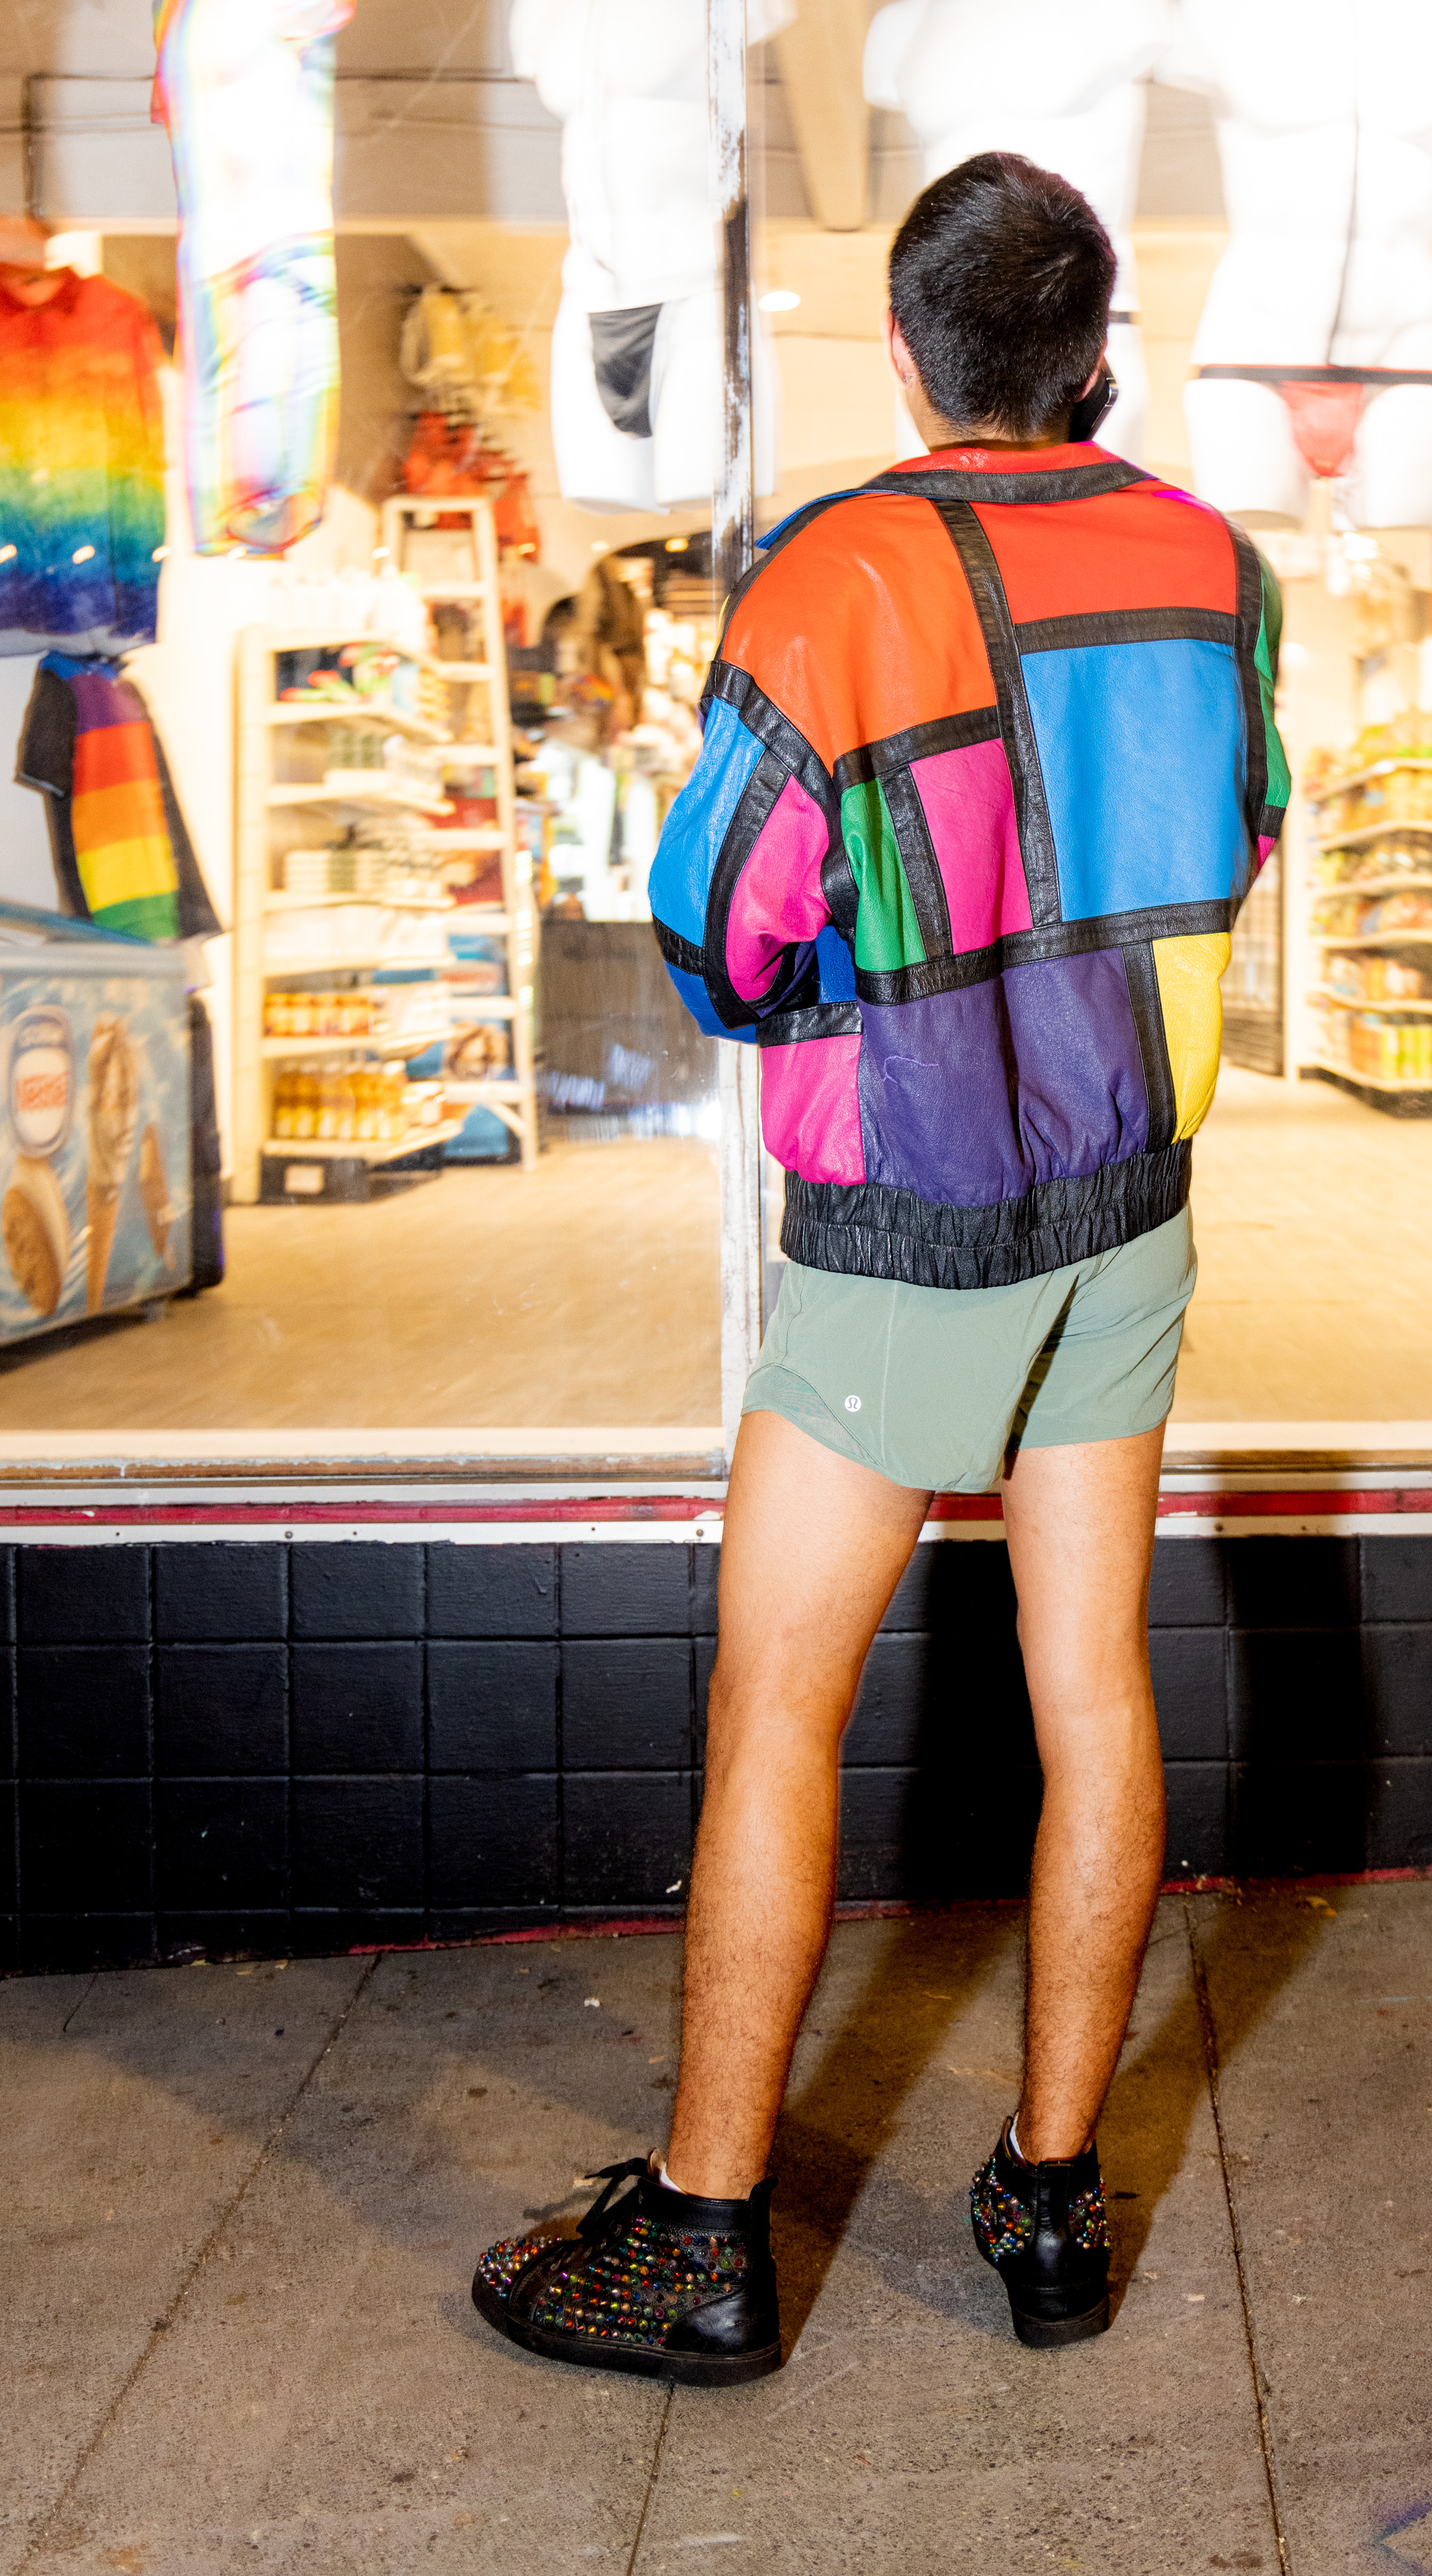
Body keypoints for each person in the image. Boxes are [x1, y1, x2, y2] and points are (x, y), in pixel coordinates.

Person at [471, 149, 1288, 2386]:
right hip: (1127, 1196)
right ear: (1091, 354)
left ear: (914, 355)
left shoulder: (827, 578)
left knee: (776, 1708)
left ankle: (709, 2234)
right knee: (1093, 1691)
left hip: (901, 1224)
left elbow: (718, 917)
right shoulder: (1218, 566)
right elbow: (1249, 834)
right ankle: (1048, 2202)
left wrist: (847, 990)